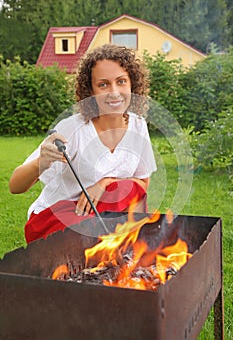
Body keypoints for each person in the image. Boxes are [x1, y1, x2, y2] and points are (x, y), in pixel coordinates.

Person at [9, 43, 157, 243]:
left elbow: (142, 185)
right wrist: (41, 163)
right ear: (90, 91)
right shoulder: (73, 129)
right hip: (59, 216)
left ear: (133, 84)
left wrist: (105, 184)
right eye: (103, 84)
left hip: (100, 215)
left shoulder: (138, 126)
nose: (114, 92)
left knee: (129, 194)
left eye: (121, 81)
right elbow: (15, 186)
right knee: (91, 236)